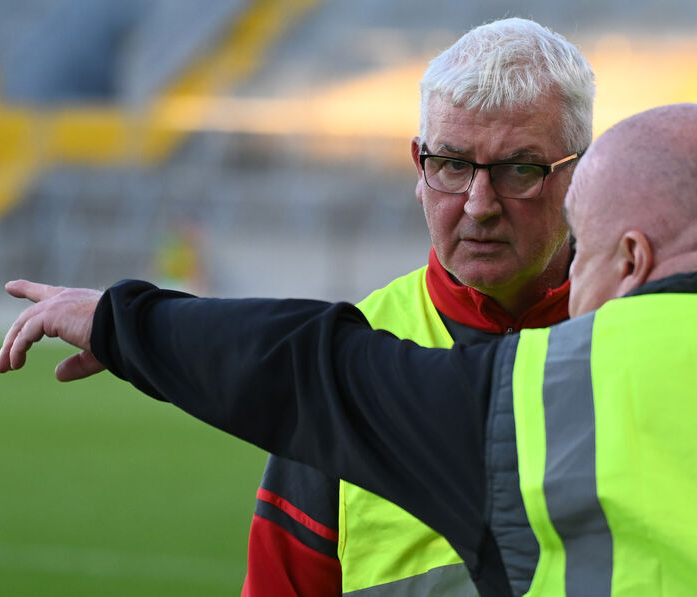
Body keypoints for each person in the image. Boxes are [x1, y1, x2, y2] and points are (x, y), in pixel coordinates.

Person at [0, 103, 697, 596]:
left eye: (590, 253)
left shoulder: (555, 394)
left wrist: (120, 322)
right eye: (450, 164)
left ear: (634, 257)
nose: (577, 295)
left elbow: (311, 371)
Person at [242, 16, 593, 597]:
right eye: (453, 164)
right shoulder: (349, 358)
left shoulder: (645, 333)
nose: (479, 205)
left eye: (519, 169)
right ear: (419, 166)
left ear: (580, 174)